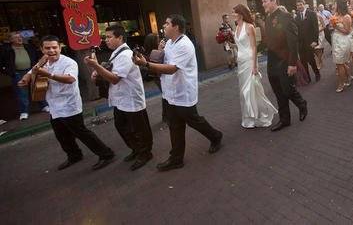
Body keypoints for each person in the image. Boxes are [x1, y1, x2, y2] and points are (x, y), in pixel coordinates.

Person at [133, 15, 223, 171]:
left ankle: (215, 136)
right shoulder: (169, 42)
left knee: (194, 120)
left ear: (176, 27)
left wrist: (146, 64)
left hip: (183, 92)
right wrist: (159, 52)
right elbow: (164, 62)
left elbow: (172, 68)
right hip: (170, 93)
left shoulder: (185, 45)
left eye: (167, 23)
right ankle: (176, 159)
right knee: (175, 125)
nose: (164, 25)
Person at [17, 35, 114, 171]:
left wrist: (49, 75)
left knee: (82, 133)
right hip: (54, 106)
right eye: (47, 48)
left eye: (54, 47)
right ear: (41, 49)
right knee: (61, 135)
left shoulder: (69, 62)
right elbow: (32, 70)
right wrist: (25, 79)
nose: (51, 50)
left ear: (60, 47)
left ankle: (106, 154)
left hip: (69, 105)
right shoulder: (43, 61)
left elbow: (70, 79)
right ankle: (74, 155)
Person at [84, 25, 153, 171]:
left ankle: (145, 153)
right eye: (105, 37)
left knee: (139, 129)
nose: (106, 40)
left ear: (120, 37)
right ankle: (136, 149)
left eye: (109, 37)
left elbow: (115, 79)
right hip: (120, 99)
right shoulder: (116, 52)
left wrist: (96, 66)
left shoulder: (125, 55)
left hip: (131, 99)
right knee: (122, 126)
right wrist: (96, 69)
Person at [261, 0, 308, 132]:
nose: (263, 4)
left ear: (274, 0)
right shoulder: (268, 18)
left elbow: (293, 42)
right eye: (262, 2)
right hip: (272, 59)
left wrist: (292, 63)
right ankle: (284, 119)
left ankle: (301, 104)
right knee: (277, 90)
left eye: (265, 1)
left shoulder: (286, 16)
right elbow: (269, 39)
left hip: (284, 59)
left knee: (287, 89)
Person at [232, 4, 276, 128]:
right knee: (243, 91)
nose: (232, 15)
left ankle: (257, 115)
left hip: (249, 61)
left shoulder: (249, 27)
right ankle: (248, 117)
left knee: (249, 90)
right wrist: (232, 45)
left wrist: (254, 66)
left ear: (240, 13)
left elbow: (253, 47)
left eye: (234, 12)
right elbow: (240, 44)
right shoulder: (237, 27)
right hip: (240, 62)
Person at [0, 32, 49, 120]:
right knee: (22, 93)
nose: (19, 39)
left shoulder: (29, 47)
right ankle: (24, 111)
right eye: (16, 37)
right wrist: (10, 72)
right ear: (11, 40)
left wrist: (38, 67)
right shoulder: (6, 49)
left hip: (32, 70)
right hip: (18, 73)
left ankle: (44, 106)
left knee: (37, 89)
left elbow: (38, 57)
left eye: (20, 37)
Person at [294, 0, 320, 82]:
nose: (299, 6)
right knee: (303, 61)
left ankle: (317, 74)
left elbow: (316, 28)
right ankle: (307, 77)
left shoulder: (311, 14)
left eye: (301, 4)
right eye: (298, 5)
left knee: (311, 60)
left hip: (310, 42)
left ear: (304, 5)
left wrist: (315, 41)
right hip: (300, 43)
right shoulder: (296, 16)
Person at [330, 0, 352, 93]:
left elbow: (347, 31)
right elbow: (333, 27)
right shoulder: (335, 15)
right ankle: (349, 77)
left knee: (339, 63)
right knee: (340, 62)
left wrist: (336, 27)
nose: (333, 6)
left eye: (335, 4)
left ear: (339, 5)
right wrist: (332, 26)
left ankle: (341, 83)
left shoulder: (347, 17)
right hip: (335, 39)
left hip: (343, 40)